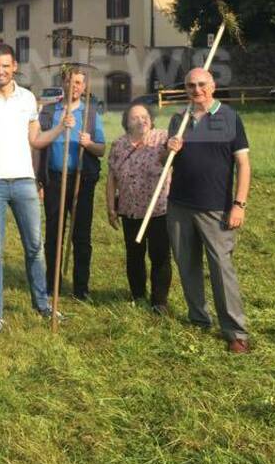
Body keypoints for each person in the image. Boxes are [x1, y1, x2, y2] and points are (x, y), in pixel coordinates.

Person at [0, 43, 70, 331]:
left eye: (6, 66)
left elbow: (35, 140)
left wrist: (60, 128)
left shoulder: (28, 99)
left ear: (15, 67)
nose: (0, 71)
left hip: (24, 181)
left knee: (34, 246)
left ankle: (42, 304)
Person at [165, 67, 252, 353]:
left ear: (212, 86)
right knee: (187, 266)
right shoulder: (179, 119)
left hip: (216, 208)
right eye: (191, 86)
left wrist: (238, 204)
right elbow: (166, 163)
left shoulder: (229, 117)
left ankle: (235, 332)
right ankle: (199, 318)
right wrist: (170, 148)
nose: (197, 90)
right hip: (179, 205)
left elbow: (243, 165)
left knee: (221, 269)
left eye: (202, 84)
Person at [36, 70, 105, 301]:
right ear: (63, 83)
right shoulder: (49, 111)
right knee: (54, 234)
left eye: (78, 82)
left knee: (81, 236)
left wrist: (90, 143)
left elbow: (102, 150)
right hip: (55, 179)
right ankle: (51, 284)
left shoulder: (91, 113)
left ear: (84, 86)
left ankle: (81, 288)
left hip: (81, 181)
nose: (74, 86)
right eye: (69, 81)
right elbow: (39, 144)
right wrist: (39, 180)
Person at [106, 103, 172, 313]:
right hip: (130, 209)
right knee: (134, 254)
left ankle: (159, 301)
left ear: (151, 120)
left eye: (145, 116)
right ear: (126, 123)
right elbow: (111, 178)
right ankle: (138, 295)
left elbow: (175, 156)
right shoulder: (119, 145)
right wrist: (111, 207)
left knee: (160, 254)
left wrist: (174, 147)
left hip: (159, 209)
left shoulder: (163, 138)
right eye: (135, 117)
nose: (141, 120)